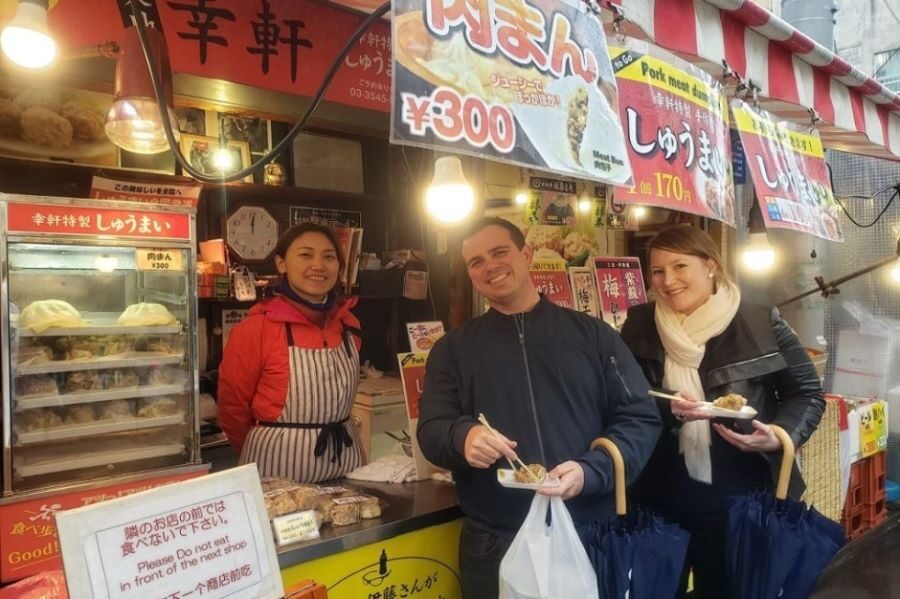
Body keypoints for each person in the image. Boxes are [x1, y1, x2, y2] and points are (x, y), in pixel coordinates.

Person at [417, 217, 662, 599]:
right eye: (476, 262)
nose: (490, 266)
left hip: (588, 529)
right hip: (495, 538)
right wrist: (462, 436)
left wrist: (591, 470)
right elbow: (432, 427)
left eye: (499, 252)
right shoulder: (453, 349)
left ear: (527, 254)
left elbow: (640, 416)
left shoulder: (593, 335)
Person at [619, 224, 825, 599]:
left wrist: (778, 435)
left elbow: (807, 393)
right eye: (658, 271)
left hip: (741, 497)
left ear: (711, 266)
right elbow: (622, 398)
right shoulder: (639, 324)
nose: (668, 281)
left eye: (680, 266)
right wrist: (666, 405)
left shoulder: (758, 321)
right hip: (657, 496)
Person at [218, 223, 364, 482]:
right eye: (306, 255)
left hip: (346, 463)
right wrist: (262, 445)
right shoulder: (256, 328)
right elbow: (232, 409)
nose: (318, 265)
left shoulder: (348, 324)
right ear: (281, 263)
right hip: (276, 469)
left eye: (329, 257)